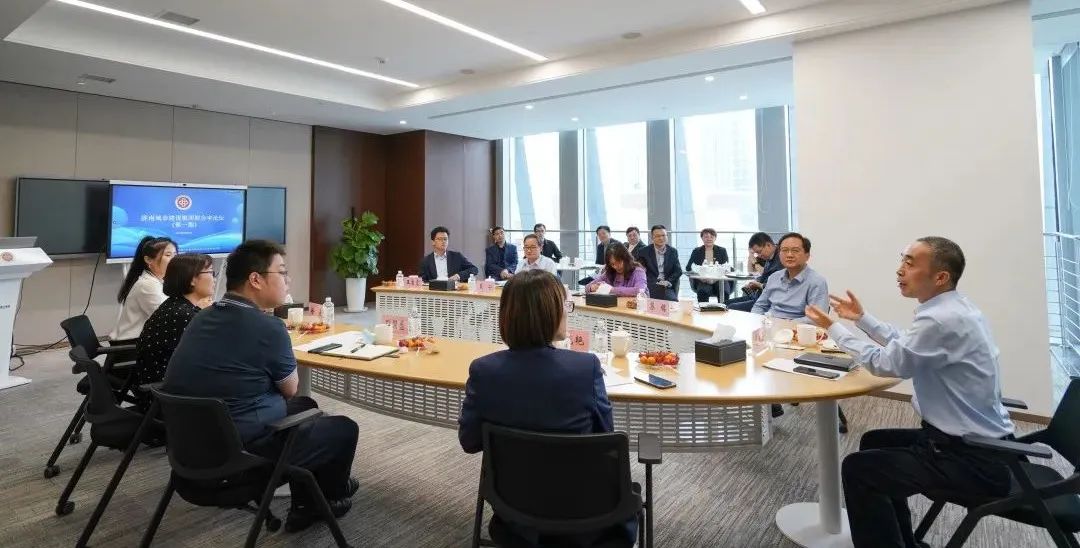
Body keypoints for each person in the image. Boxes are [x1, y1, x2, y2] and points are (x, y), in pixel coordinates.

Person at [804, 237, 1016, 548]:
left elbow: (887, 363)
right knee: (874, 442)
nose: (900, 269)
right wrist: (861, 319)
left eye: (910, 263)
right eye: (902, 259)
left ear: (940, 277)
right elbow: (905, 344)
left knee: (859, 471)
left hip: (973, 459)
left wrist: (833, 328)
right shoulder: (955, 308)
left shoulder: (941, 319)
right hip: (979, 446)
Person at [163, 240, 360, 532]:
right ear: (255, 279)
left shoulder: (202, 316)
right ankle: (330, 497)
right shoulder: (269, 328)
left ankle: (305, 504)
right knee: (343, 428)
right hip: (239, 458)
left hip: (188, 450)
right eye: (282, 272)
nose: (288, 280)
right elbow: (290, 388)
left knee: (307, 407)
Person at [458, 269, 633, 546]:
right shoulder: (585, 368)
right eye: (565, 305)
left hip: (513, 511)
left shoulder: (484, 371)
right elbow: (605, 436)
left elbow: (469, 441)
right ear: (549, 313)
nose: (567, 312)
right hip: (586, 515)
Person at [134, 253, 214, 405]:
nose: (214, 278)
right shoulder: (184, 315)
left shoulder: (175, 305)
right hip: (169, 397)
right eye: (210, 272)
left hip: (161, 390)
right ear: (192, 279)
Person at [750, 232, 828, 323]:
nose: (789, 255)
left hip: (796, 329)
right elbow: (759, 306)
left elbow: (817, 318)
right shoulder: (774, 277)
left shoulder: (816, 282)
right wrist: (758, 322)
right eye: (784, 250)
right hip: (769, 325)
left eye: (795, 250)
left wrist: (785, 324)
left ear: (807, 256)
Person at [110, 236, 177, 341]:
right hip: (130, 345)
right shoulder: (147, 285)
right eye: (168, 255)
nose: (175, 260)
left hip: (144, 341)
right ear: (148, 260)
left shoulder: (158, 281)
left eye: (175, 255)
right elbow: (169, 319)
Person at [728, 232, 783, 312]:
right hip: (759, 296)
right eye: (757, 253)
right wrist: (756, 283)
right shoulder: (769, 258)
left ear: (768, 245)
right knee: (725, 304)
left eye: (759, 252)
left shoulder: (781, 259)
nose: (759, 255)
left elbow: (778, 286)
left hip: (767, 301)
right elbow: (758, 274)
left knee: (730, 307)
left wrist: (759, 285)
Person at [636, 225, 682, 301]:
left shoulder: (673, 251)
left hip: (666, 285)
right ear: (652, 238)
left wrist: (668, 281)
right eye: (657, 236)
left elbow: (678, 271)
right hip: (650, 285)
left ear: (667, 236)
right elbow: (640, 271)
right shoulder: (644, 251)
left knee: (672, 301)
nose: (661, 238)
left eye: (663, 235)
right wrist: (654, 282)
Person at [685, 228, 732, 303]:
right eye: (706, 237)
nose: (709, 239)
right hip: (703, 280)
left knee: (724, 292)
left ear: (715, 238)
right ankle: (703, 309)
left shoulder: (722, 250)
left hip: (719, 280)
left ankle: (723, 309)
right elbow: (688, 267)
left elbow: (726, 267)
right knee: (703, 292)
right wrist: (700, 276)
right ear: (702, 238)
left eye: (711, 237)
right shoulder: (696, 251)